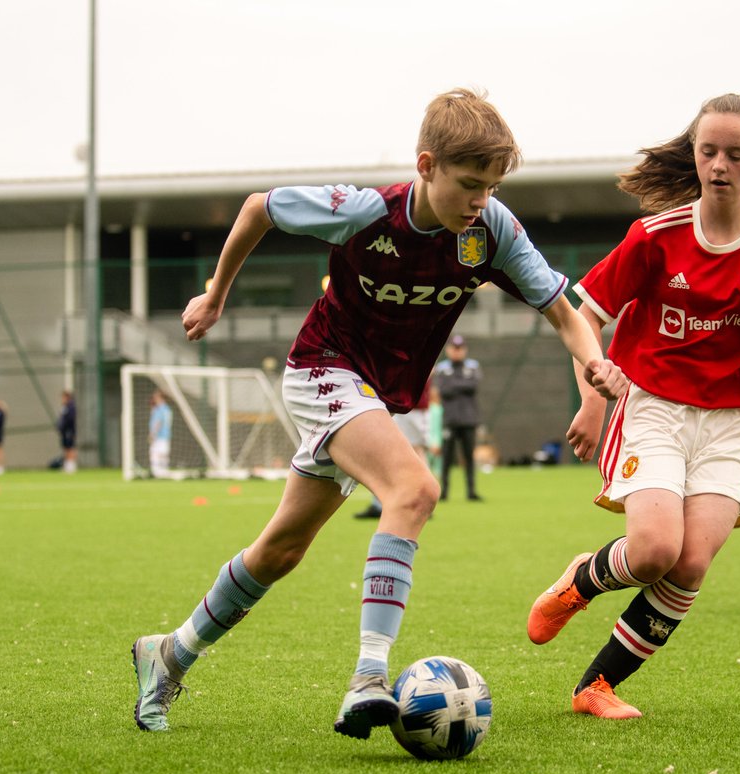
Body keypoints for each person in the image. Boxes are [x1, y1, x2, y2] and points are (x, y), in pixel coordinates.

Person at [131, 88, 626, 737]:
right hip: (322, 367)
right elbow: (260, 208)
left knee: (279, 551)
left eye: (492, 187)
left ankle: (168, 654)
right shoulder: (366, 212)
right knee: (414, 489)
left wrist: (593, 367)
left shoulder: (491, 230)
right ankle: (367, 677)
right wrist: (216, 292)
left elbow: (564, 312)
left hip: (373, 394)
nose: (481, 201)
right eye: (469, 185)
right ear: (426, 166)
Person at [526, 93, 740, 720]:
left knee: (690, 563)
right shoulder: (655, 235)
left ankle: (597, 688)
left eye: (735, 154)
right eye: (709, 151)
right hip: (654, 408)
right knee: (652, 552)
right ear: (695, 154)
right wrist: (591, 400)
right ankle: (581, 579)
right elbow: (584, 314)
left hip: (730, 424)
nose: (720, 164)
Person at [354, 377, 434, 519]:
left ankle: (424, 501)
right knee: (384, 450)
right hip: (388, 405)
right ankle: (379, 504)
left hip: (410, 409)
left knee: (415, 450)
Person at [433, 334, 483, 500]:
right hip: (450, 419)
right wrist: (461, 384)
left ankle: (471, 491)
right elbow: (444, 390)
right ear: (448, 350)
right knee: (447, 458)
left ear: (465, 349)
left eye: (460, 348)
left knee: (469, 457)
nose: (457, 352)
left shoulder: (473, 366)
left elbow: (473, 386)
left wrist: (454, 384)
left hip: (469, 419)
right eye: (454, 348)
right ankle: (444, 491)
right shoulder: (442, 368)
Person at [147, 389, 173, 478]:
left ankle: (157, 472)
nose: (154, 399)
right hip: (166, 435)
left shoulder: (159, 410)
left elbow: (158, 423)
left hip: (159, 435)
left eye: (156, 397)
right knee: (163, 454)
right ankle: (164, 471)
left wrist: (152, 434)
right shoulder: (167, 409)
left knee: (155, 453)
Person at [57, 390, 77, 474]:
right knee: (66, 448)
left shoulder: (71, 407)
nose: (62, 399)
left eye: (64, 397)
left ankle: (71, 466)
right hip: (64, 431)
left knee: (70, 448)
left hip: (69, 430)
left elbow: (70, 419)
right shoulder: (65, 406)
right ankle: (67, 466)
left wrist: (67, 428)